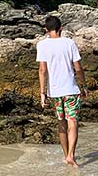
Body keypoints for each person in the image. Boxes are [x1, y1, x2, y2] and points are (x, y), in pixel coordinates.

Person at [37, 16, 88, 167]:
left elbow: (42, 70)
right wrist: (83, 86)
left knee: (62, 124)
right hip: (71, 90)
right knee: (73, 122)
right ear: (61, 28)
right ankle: (71, 155)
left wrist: (42, 93)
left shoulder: (42, 45)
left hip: (55, 92)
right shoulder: (69, 43)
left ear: (46, 30)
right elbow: (78, 68)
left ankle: (67, 156)